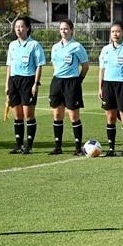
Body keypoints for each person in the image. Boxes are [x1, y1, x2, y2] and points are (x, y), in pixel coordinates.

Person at [5, 16, 46, 154]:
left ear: (28, 28)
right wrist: (7, 84)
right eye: (16, 26)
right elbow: (9, 66)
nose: (18, 29)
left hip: (28, 81)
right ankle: (18, 145)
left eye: (21, 26)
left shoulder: (34, 45)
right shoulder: (12, 45)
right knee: (17, 115)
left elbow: (40, 65)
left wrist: (35, 83)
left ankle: (29, 145)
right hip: (14, 81)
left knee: (28, 114)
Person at [49, 19, 89, 156]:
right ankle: (57, 146)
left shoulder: (77, 46)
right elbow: (55, 64)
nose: (63, 31)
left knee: (73, 116)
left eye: (66, 29)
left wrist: (79, 79)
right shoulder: (55, 47)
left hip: (72, 83)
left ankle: (78, 148)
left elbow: (85, 65)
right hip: (57, 82)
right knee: (57, 115)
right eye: (61, 29)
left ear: (71, 30)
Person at [98, 22, 123, 157]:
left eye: (118, 31)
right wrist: (100, 88)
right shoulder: (105, 50)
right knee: (110, 117)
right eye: (113, 32)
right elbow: (101, 70)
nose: (115, 34)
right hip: (108, 85)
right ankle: (111, 149)